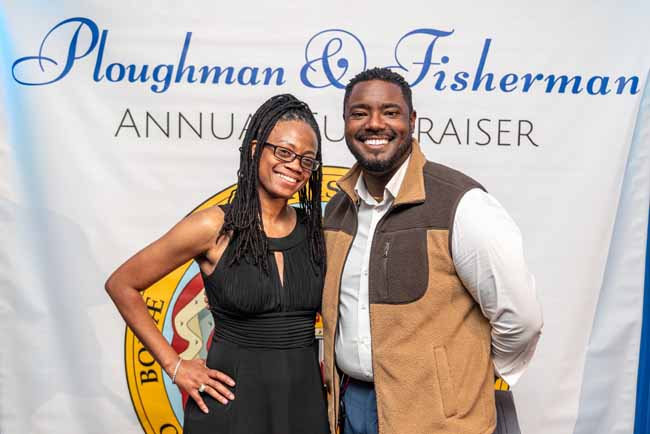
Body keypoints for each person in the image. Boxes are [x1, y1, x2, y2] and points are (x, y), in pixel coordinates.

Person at [320, 68, 543, 434]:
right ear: (344, 123)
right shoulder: (338, 209)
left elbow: (521, 319)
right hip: (351, 409)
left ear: (412, 121)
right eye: (360, 112)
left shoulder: (461, 203)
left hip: (437, 421)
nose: (374, 124)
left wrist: (455, 384)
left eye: (390, 112)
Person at [105, 94, 329, 434]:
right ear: (255, 150)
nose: (295, 165)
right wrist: (174, 365)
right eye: (283, 152)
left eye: (306, 160)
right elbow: (122, 284)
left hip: (304, 406)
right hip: (231, 408)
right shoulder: (213, 227)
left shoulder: (315, 231)